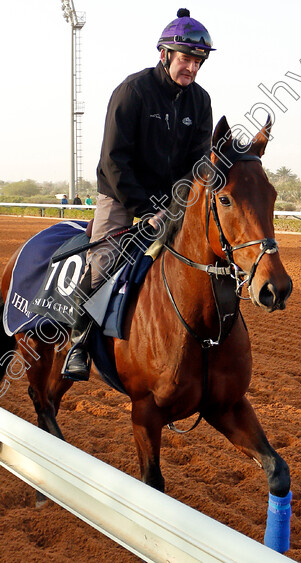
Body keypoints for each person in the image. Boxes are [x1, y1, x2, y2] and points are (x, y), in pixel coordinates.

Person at [62, 8, 215, 382]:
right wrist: (144, 209)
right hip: (119, 193)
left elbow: (197, 163)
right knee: (103, 264)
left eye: (198, 62)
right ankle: (78, 345)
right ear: (164, 55)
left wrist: (179, 203)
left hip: (170, 198)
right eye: (186, 60)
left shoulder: (201, 101)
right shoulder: (132, 91)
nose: (192, 69)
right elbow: (113, 160)